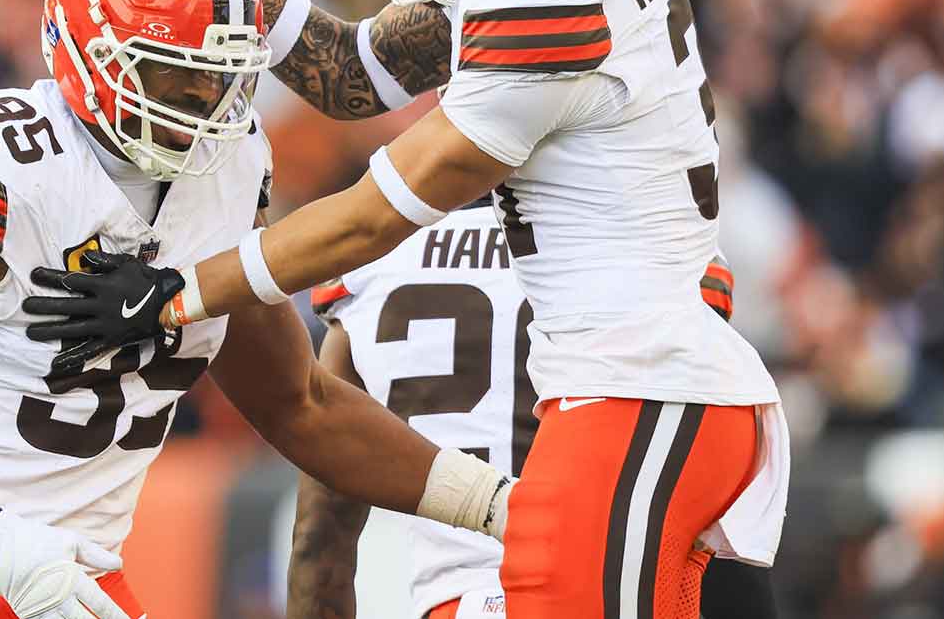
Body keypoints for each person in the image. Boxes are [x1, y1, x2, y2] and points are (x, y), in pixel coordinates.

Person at [25, 0, 788, 619]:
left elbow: (371, 219)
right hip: (633, 384)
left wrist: (172, 296)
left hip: (642, 384)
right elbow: (354, 74)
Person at [0, 0, 523, 619]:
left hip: (83, 578)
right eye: (179, 75)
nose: (209, 101)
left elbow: (301, 404)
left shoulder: (229, 172)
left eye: (224, 74)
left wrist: (500, 507)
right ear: (88, 52)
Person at [287, 206, 754, 619]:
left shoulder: (374, 259)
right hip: (608, 595)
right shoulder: (657, 249)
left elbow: (319, 542)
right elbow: (707, 512)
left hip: (459, 601)